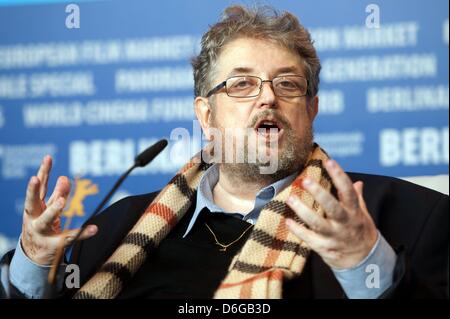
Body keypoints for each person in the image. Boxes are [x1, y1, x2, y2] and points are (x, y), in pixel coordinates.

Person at [1, 5, 448, 299]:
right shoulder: (116, 231)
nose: (267, 98)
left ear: (311, 109)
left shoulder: (405, 218)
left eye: (287, 84)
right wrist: (34, 261)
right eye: (241, 84)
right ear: (206, 114)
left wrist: (364, 263)